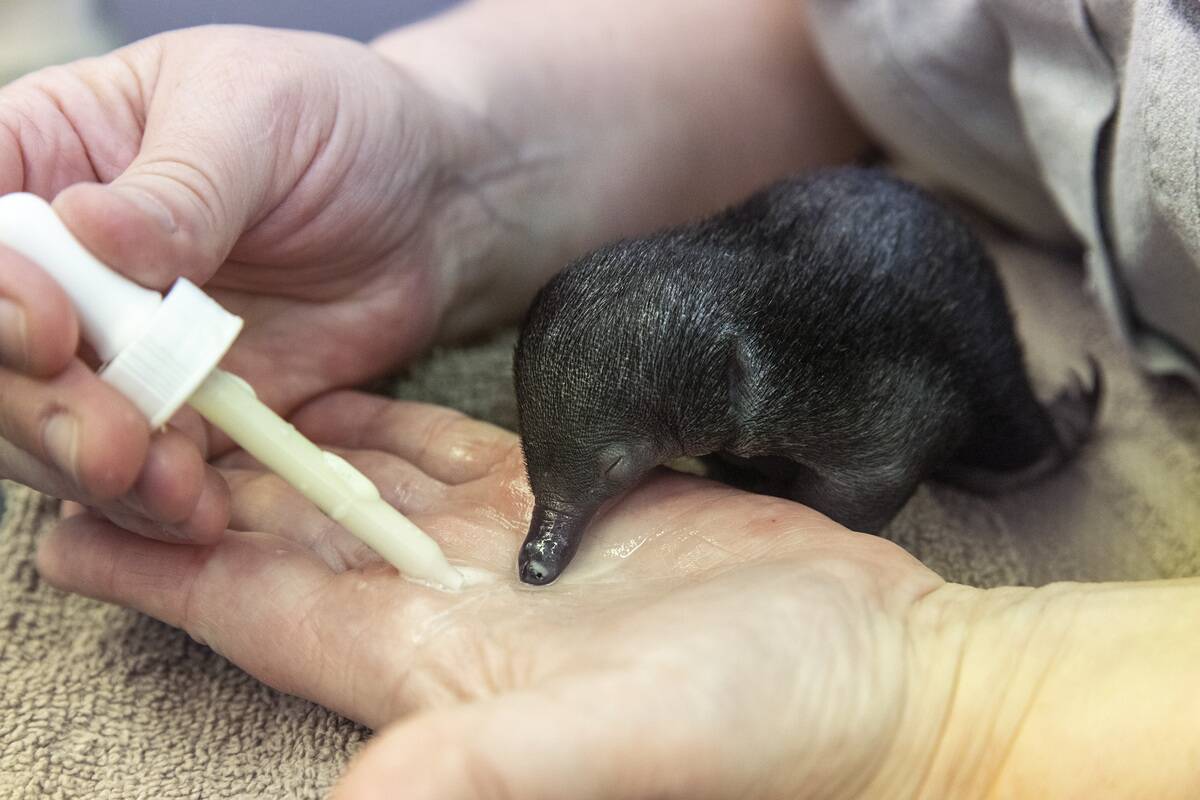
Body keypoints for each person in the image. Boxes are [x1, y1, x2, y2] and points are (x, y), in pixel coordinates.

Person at [1, 0, 1197, 797]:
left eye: (610, 469)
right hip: (868, 179)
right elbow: (852, 36)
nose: (554, 529)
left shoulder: (813, 377)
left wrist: (971, 702)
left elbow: (896, 432)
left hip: (967, 360)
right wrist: (457, 171)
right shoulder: (722, 347)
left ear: (729, 398)